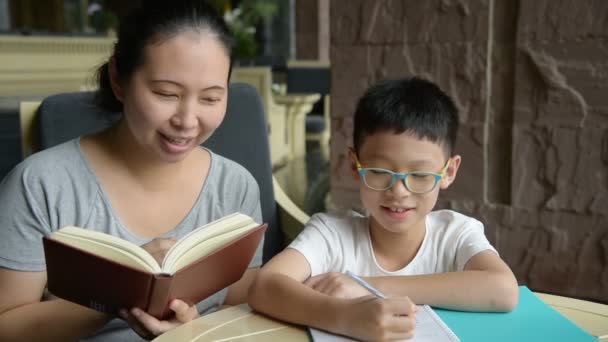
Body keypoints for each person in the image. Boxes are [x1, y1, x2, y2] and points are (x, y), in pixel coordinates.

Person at [0, 1, 264, 341]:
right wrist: (120, 294)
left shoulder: (235, 186)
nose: (187, 121)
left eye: (211, 99)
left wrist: (193, 329)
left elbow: (242, 310)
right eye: (165, 93)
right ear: (118, 79)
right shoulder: (41, 185)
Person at [248, 77, 519, 341]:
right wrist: (347, 317)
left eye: (421, 175)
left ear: (449, 172)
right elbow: (264, 286)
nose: (399, 191)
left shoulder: (455, 233)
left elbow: (504, 289)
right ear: (355, 165)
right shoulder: (331, 234)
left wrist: (368, 287)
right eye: (379, 171)